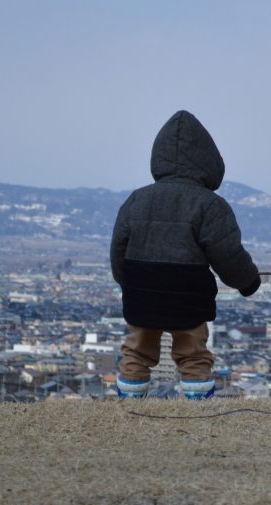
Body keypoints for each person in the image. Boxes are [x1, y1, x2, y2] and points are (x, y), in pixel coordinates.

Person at [110, 110, 261, 399]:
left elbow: (118, 249)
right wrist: (248, 282)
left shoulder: (137, 200)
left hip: (142, 290)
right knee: (193, 354)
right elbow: (227, 253)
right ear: (209, 161)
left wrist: (126, 282)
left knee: (137, 352)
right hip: (188, 294)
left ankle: (129, 406)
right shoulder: (209, 205)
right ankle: (196, 407)